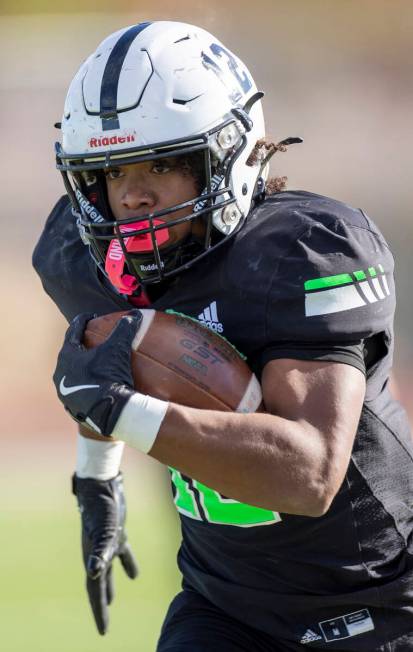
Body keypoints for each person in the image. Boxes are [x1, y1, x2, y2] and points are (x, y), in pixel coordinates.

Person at [33, 21, 413, 651]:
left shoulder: (303, 250)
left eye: (162, 163)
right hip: (226, 603)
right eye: (111, 171)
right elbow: (112, 370)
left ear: (230, 153)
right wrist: (98, 476)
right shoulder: (84, 256)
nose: (131, 197)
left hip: (378, 599)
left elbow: (308, 474)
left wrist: (123, 414)